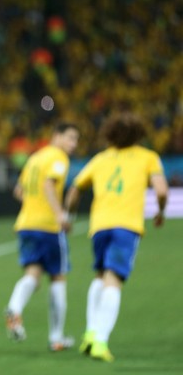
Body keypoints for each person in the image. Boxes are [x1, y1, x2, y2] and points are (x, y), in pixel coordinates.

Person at [64, 113, 168, 362]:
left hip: (99, 226)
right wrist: (161, 211)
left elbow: (75, 189)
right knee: (114, 280)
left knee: (100, 275)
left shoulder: (100, 159)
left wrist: (69, 215)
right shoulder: (148, 157)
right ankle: (100, 340)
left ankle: (90, 333)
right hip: (126, 226)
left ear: (109, 134)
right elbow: (162, 190)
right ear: (139, 134)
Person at [4, 122, 80, 351]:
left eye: (76, 140)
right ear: (56, 136)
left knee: (33, 274)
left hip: (26, 224)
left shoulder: (35, 158)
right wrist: (60, 216)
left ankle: (14, 309)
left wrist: (34, 207)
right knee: (58, 277)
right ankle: (56, 338)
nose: (73, 144)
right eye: (69, 138)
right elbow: (48, 184)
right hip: (48, 226)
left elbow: (19, 191)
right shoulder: (58, 158)